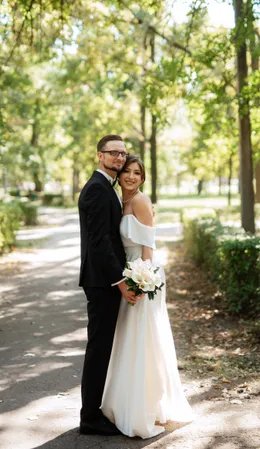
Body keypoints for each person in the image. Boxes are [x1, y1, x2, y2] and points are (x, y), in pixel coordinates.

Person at [101, 154, 194, 439]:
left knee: (144, 341)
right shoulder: (121, 200)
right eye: (127, 171)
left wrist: (142, 282)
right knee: (130, 340)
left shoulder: (140, 201)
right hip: (129, 273)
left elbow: (148, 249)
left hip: (143, 275)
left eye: (137, 173)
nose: (130, 176)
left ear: (143, 178)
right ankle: (126, 403)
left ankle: (146, 408)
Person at [78, 135, 143, 436]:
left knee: (103, 347)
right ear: (99, 155)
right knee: (99, 349)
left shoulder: (108, 187)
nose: (119, 158)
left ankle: (95, 411)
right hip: (102, 282)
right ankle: (90, 418)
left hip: (107, 279)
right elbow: (99, 241)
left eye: (122, 153)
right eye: (113, 153)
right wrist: (119, 281)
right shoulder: (95, 189)